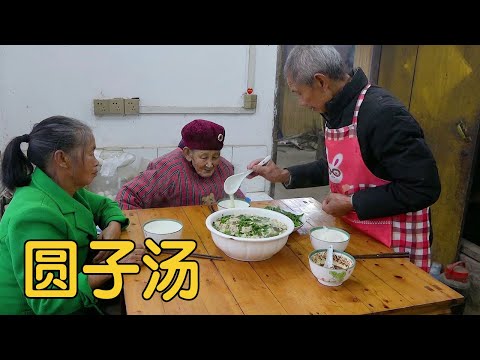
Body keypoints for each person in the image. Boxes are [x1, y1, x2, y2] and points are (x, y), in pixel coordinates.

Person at [248, 45, 441, 272]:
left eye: (299, 93)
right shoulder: (336, 109)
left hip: (395, 241)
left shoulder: (383, 114)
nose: (301, 102)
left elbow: (423, 187)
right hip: (358, 231)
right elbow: (338, 164)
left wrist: (353, 202)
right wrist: (284, 175)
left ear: (321, 82)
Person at [0, 116, 145, 315]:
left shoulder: (60, 186)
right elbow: (50, 300)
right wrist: (114, 264)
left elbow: (104, 205)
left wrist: (113, 225)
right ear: (62, 159)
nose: (97, 162)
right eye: (90, 153)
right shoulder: (33, 215)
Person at [116, 119, 244, 209]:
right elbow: (127, 196)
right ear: (188, 153)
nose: (210, 164)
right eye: (204, 157)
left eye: (215, 156)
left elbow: (238, 201)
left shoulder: (225, 168)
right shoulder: (168, 170)